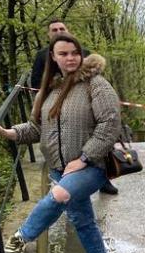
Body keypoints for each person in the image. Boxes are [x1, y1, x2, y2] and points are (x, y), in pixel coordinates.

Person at [0, 34, 122, 253]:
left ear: (81, 54)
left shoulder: (96, 84)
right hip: (60, 167)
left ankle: (19, 238)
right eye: (63, 53)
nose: (70, 58)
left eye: (74, 52)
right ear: (54, 57)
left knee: (57, 195)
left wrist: (83, 158)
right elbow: (37, 128)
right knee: (83, 221)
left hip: (92, 166)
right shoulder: (50, 89)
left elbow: (110, 124)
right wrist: (7, 132)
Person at [30, 20, 118, 195]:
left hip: (82, 110)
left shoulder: (84, 57)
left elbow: (109, 121)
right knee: (78, 212)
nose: (70, 58)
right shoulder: (42, 56)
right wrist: (42, 107)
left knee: (56, 200)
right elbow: (36, 82)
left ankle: (103, 177)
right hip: (54, 106)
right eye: (54, 29)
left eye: (61, 28)